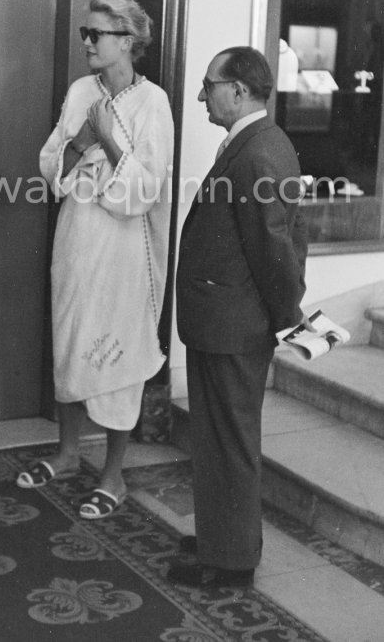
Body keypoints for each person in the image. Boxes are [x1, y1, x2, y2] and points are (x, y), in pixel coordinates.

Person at [17, 0, 173, 518]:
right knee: (70, 337)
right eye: (86, 32)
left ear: (127, 40)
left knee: (118, 353)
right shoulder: (81, 90)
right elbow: (52, 166)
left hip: (124, 248)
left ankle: (113, 476)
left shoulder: (153, 103)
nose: (87, 41)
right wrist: (82, 136)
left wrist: (105, 139)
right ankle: (66, 454)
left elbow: (146, 188)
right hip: (77, 235)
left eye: (97, 33)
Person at [168, 46, 307, 589]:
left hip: (235, 327)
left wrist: (288, 317)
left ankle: (230, 564)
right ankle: (223, 540)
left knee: (229, 442)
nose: (202, 95)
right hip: (223, 321)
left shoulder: (259, 152)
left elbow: (277, 249)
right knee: (219, 439)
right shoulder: (254, 144)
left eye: (209, 85)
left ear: (240, 91)